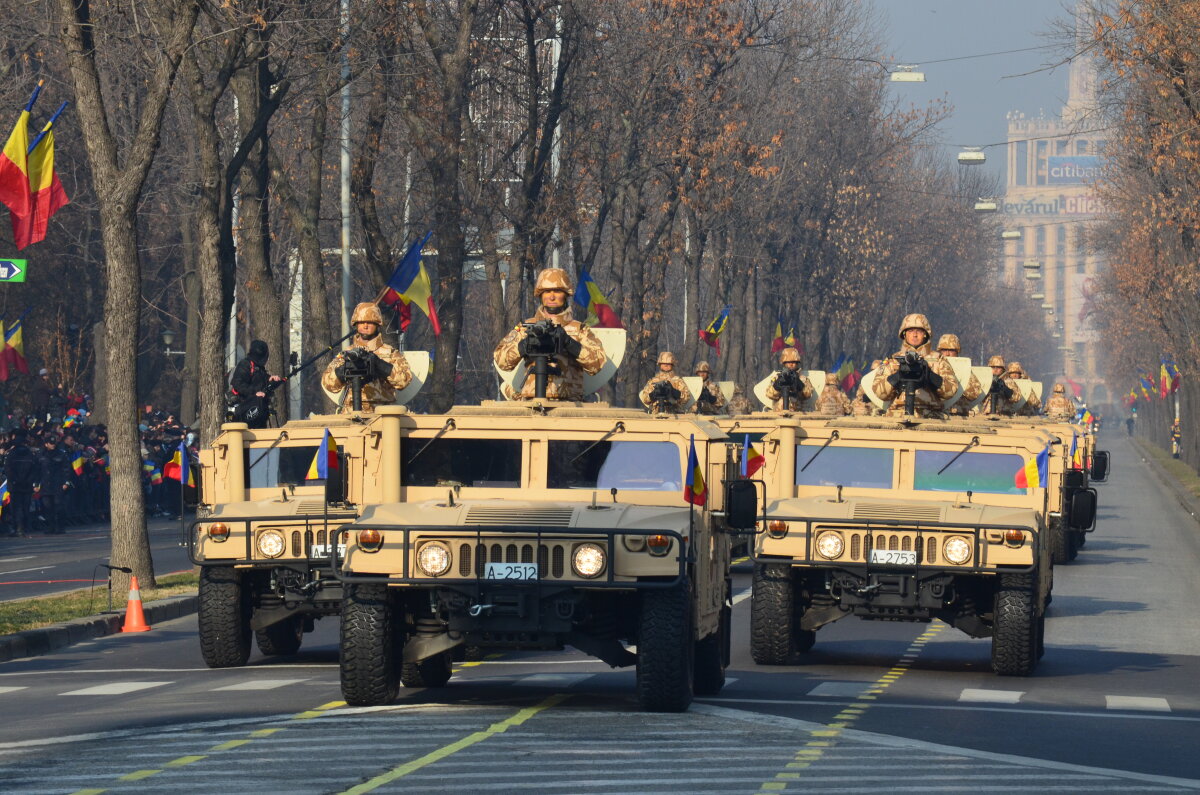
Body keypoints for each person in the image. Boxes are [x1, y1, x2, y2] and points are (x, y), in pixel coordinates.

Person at [494, 268, 607, 401]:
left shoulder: (579, 329)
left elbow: (597, 364)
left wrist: (569, 343)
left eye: (557, 291)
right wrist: (524, 345)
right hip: (531, 402)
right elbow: (501, 360)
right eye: (547, 291)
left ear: (566, 294)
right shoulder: (526, 327)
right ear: (540, 295)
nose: (552, 297)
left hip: (569, 404)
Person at [322, 302, 413, 413]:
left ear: (377, 324)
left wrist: (380, 365)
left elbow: (404, 381)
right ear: (356, 324)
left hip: (383, 413)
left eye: (369, 322)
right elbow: (328, 383)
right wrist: (342, 370)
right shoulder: (347, 354)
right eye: (361, 322)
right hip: (351, 412)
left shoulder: (390, 353)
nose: (365, 326)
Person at [871, 313, 959, 418]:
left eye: (919, 331)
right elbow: (879, 393)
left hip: (931, 416)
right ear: (904, 334)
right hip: (897, 415)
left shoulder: (939, 360)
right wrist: (898, 376)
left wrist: (930, 376)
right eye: (910, 331)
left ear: (925, 334)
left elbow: (951, 391)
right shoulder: (893, 360)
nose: (915, 335)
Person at [228, 340, 284, 428]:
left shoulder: (258, 367)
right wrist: (255, 393)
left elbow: (259, 380)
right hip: (246, 409)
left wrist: (270, 379)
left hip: (259, 409)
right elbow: (238, 384)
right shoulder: (245, 365)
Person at [935, 334, 981, 416]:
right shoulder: (934, 366)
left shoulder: (964, 368)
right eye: (944, 350)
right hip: (937, 413)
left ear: (957, 351)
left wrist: (961, 376)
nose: (947, 354)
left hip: (958, 415)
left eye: (951, 350)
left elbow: (975, 394)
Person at [4, 429, 38, 537]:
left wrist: (15, 480)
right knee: (25, 507)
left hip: (15, 485)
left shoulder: (11, 454)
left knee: (16, 507)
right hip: (27, 485)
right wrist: (29, 480)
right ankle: (24, 527)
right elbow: (34, 469)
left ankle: (17, 528)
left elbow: (8, 470)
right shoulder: (30, 454)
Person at [765, 348, 814, 412]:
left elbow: (808, 395)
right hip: (779, 413)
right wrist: (777, 386)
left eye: (793, 362)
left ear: (797, 363)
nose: (791, 364)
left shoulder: (803, 379)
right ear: (784, 363)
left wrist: (799, 384)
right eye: (788, 362)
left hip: (798, 413)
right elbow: (769, 394)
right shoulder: (777, 378)